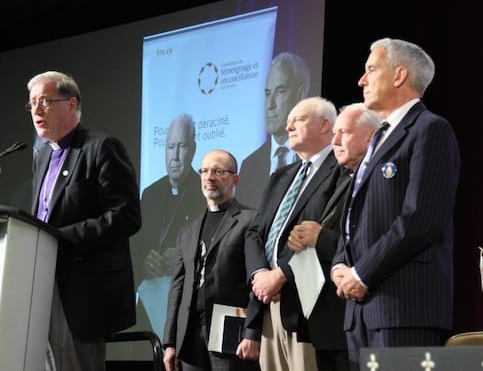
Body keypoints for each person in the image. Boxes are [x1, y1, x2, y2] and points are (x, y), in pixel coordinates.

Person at [331, 38, 461, 371]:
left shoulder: (430, 129)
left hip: (403, 308)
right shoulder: (378, 136)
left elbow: (419, 219)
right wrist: (340, 266)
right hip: (361, 309)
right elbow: (354, 217)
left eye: (371, 69)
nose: (361, 80)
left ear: (399, 75)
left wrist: (361, 273)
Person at [26, 70, 141, 371]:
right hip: (40, 282)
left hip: (82, 292)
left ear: (71, 104)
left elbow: (126, 216)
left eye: (45, 101)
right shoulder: (41, 157)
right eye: (32, 103)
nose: (36, 110)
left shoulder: (101, 148)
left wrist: (60, 239)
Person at [243, 96, 344, 371]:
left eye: (297, 120)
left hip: (308, 307)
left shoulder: (342, 171)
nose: (288, 128)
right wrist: (259, 275)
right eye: (287, 122)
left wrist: (281, 274)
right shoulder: (281, 176)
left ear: (325, 125)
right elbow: (254, 232)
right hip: (268, 304)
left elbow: (326, 232)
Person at [286, 102, 381, 371]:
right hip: (328, 321)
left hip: (357, 311)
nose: (335, 141)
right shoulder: (348, 179)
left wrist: (320, 238)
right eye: (335, 133)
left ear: (371, 136)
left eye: (344, 133)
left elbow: (373, 242)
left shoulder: (375, 181)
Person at [162, 149, 261, 371]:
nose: (209, 177)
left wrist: (252, 332)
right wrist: (170, 342)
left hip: (232, 329)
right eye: (204, 171)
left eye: (218, 171)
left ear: (235, 179)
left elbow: (257, 280)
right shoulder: (187, 230)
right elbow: (177, 288)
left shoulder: (250, 220)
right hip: (190, 334)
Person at [133, 112, 205, 336]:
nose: (174, 156)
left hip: (188, 299)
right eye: (169, 146)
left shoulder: (205, 192)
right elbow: (138, 245)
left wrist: (183, 257)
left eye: (181, 146)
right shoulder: (151, 194)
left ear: (192, 150)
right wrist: (146, 261)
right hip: (150, 298)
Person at [235, 52, 311, 208]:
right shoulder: (249, 166)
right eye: (267, 93)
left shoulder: (316, 157)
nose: (270, 104)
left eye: (280, 91)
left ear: (300, 94)